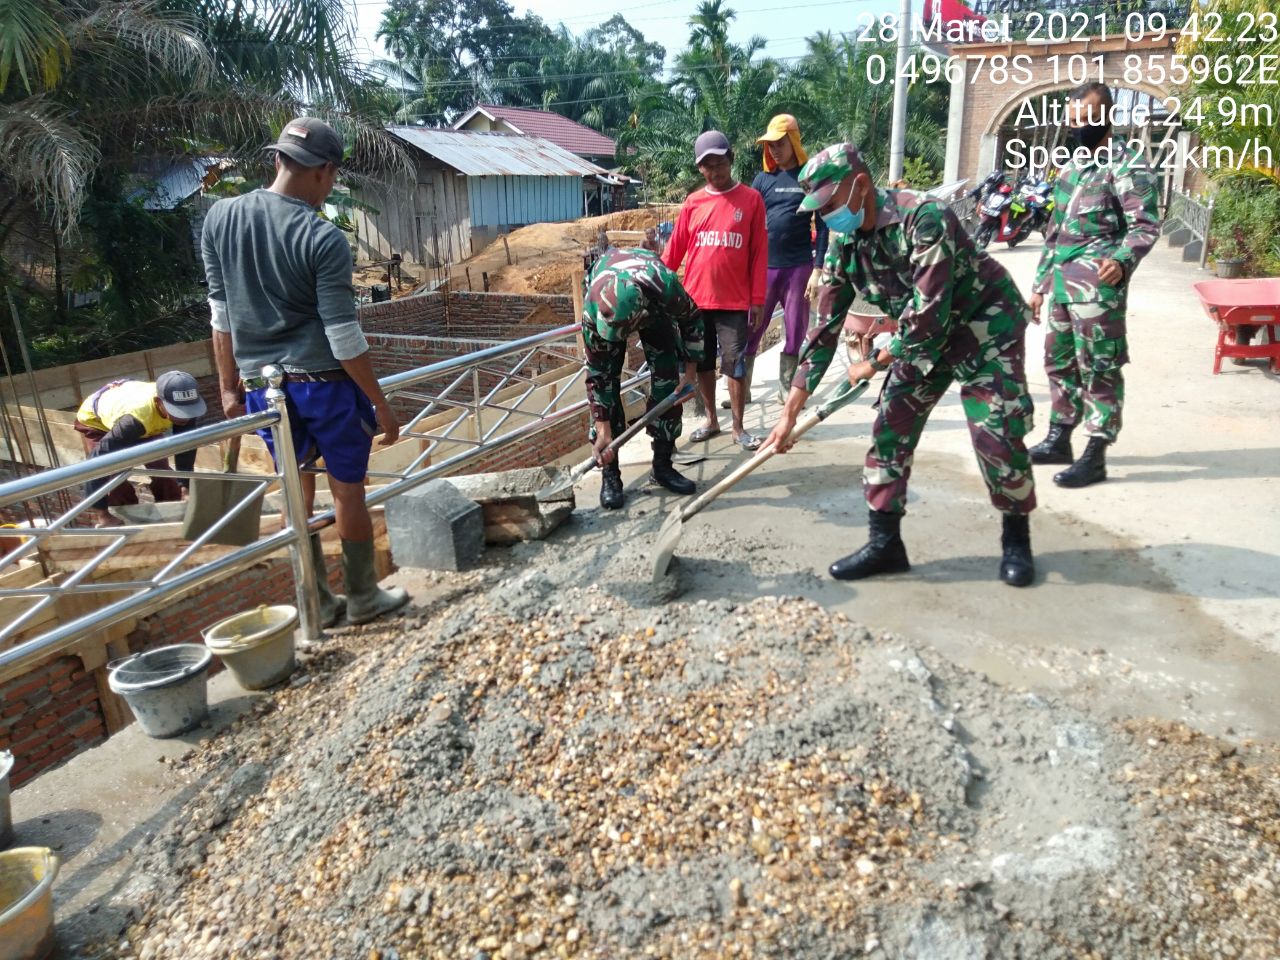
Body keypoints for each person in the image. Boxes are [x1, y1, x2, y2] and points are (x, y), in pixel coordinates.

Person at [763, 143, 1038, 587]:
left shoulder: (923, 216)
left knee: (997, 434)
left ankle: (1016, 540)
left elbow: (929, 313)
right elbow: (823, 330)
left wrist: (872, 361)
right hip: (919, 339)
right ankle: (885, 543)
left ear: (862, 186)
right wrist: (790, 412)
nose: (828, 214)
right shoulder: (844, 243)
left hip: (984, 327)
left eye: (831, 203)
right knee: (890, 430)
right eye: (820, 208)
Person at [201, 116, 409, 628]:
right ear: (326, 172)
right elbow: (343, 338)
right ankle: (362, 596)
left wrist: (228, 387)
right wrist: (380, 402)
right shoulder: (323, 239)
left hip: (261, 389)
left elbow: (221, 316)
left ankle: (315, 602)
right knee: (347, 491)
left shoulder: (220, 219)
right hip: (324, 386)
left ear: (278, 160)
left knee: (296, 491)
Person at [1027, 81, 1161, 487]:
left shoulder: (1126, 164)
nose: (1077, 127)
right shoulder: (1072, 166)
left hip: (1098, 289)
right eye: (1072, 121)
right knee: (1059, 362)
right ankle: (1059, 437)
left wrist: (1121, 261)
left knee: (1099, 367)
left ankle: (1096, 452)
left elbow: (1144, 225)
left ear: (1106, 117)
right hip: (1065, 287)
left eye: (1085, 120)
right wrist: (1039, 285)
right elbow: (1055, 231)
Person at [662, 130, 768, 451]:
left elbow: (760, 253)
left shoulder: (751, 200)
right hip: (695, 302)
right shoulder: (693, 203)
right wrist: (657, 285)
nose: (715, 171)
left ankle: (738, 427)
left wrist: (758, 299)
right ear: (700, 169)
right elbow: (674, 251)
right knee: (704, 363)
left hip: (734, 301)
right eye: (707, 166)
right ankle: (711, 419)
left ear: (731, 160)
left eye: (720, 163)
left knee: (734, 364)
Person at [582, 248, 703, 510]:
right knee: (608, 391)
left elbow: (692, 319)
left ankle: (662, 466)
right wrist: (602, 428)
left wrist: (690, 373)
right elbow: (598, 376)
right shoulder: (593, 310)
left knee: (667, 380)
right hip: (614, 296)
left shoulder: (664, 287)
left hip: (653, 310)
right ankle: (610, 474)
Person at [747, 114, 830, 404]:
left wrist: (818, 270)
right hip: (766, 269)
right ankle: (741, 388)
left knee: (795, 329)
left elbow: (822, 227)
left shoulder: (809, 177)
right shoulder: (762, 180)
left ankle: (786, 387)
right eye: (769, 145)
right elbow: (749, 225)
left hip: (799, 268)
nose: (773, 150)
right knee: (752, 328)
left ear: (793, 142)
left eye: (779, 144)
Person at [74, 372, 207, 528]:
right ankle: (119, 521)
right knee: (115, 477)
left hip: (142, 418)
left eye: (187, 412)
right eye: (177, 412)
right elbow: (97, 462)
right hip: (98, 423)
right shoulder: (134, 420)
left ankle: (173, 514)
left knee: (161, 469)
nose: (184, 418)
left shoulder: (185, 408)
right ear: (159, 402)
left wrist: (186, 486)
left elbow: (186, 446)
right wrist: (102, 514)